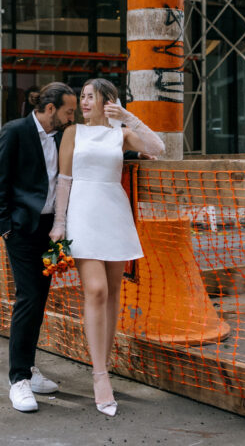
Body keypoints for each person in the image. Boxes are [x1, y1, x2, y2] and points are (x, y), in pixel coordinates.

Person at [50, 78, 165, 417]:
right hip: (83, 213)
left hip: (114, 211)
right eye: (83, 97)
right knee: (96, 290)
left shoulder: (121, 132)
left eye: (91, 97)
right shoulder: (73, 133)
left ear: (107, 101)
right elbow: (64, 179)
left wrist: (128, 116)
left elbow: (158, 147)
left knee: (114, 291)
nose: (84, 102)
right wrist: (59, 222)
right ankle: (99, 374)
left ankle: (106, 362)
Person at [0, 81, 78, 413]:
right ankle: (18, 380)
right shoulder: (14, 132)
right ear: (51, 108)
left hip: (52, 231)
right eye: (69, 110)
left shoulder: (62, 136)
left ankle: (28, 368)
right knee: (28, 297)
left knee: (39, 298)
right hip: (22, 230)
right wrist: (6, 229)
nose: (72, 116)